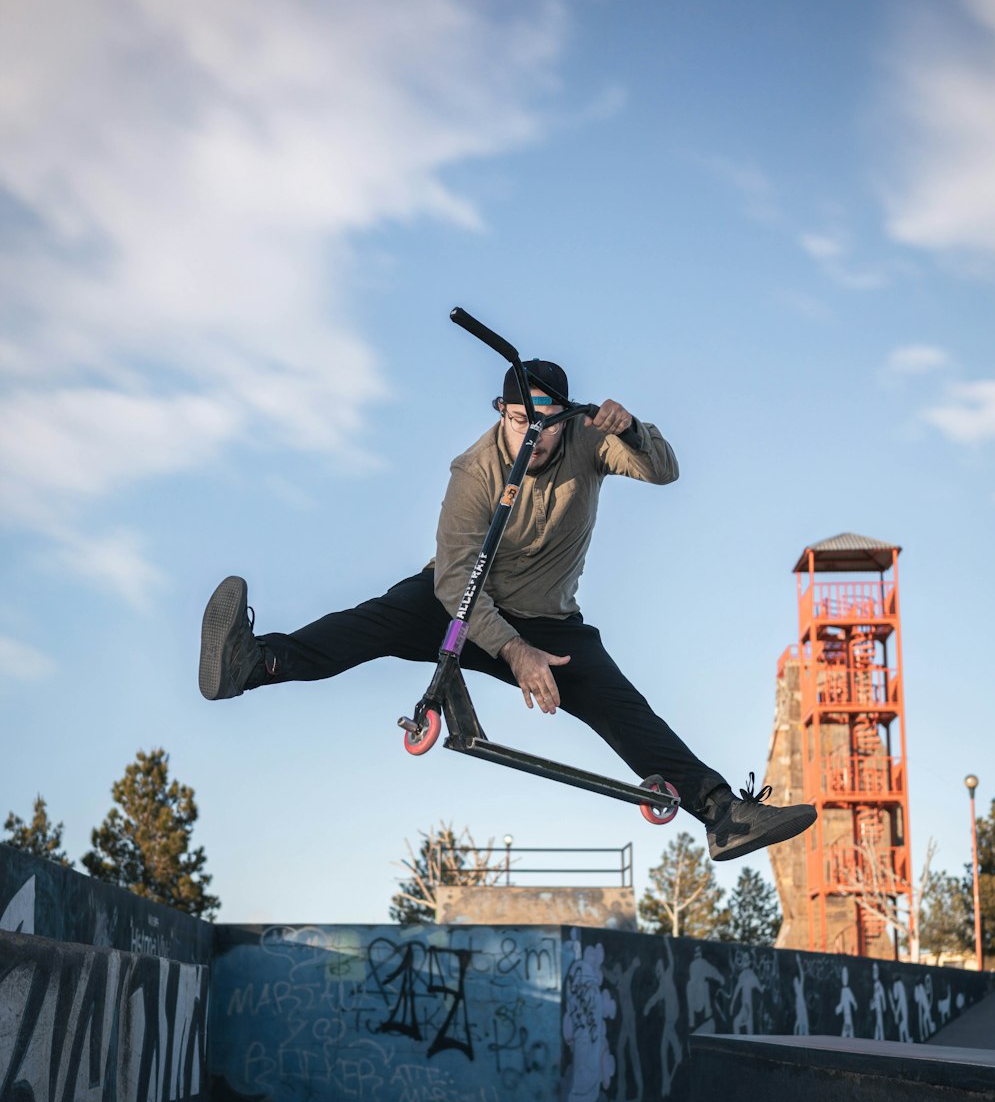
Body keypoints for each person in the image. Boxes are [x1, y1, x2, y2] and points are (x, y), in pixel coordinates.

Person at [198, 359, 817, 861]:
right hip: (460, 600)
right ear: (502, 414)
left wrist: (631, 429)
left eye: (547, 424)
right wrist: (511, 650)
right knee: (375, 621)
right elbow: (457, 575)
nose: (533, 436)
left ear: (567, 420)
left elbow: (664, 472)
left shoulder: (588, 440)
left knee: (620, 704)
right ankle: (252, 663)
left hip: (550, 619)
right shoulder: (474, 470)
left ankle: (721, 814)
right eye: (521, 421)